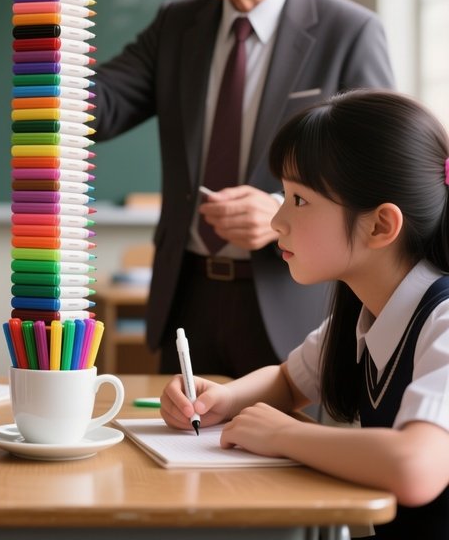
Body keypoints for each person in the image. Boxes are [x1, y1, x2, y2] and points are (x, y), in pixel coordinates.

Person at [94, 0, 395, 377]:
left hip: (299, 310)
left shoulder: (349, 32)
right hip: (186, 302)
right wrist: (49, 30)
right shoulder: (176, 25)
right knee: (174, 433)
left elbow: (380, 178)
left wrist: (284, 209)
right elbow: (98, 108)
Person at [160, 90, 449, 539]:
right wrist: (221, 400)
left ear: (379, 225)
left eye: (298, 199)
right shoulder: (367, 310)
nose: (276, 221)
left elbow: (416, 468)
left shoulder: (442, 320)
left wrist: (283, 435)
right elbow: (288, 381)